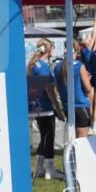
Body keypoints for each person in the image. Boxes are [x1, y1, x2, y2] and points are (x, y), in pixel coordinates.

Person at [27, 41, 66, 179]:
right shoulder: (42, 67)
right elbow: (49, 90)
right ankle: (49, 169)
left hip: (36, 106)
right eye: (53, 48)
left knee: (44, 137)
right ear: (48, 50)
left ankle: (39, 168)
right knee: (48, 138)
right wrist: (58, 109)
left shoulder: (34, 64)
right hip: (44, 107)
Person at [55, 41, 94, 139]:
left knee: (73, 137)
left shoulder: (57, 66)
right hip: (81, 105)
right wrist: (87, 80)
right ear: (76, 51)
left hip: (67, 105)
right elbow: (88, 89)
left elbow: (58, 85)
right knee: (82, 138)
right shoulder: (79, 66)